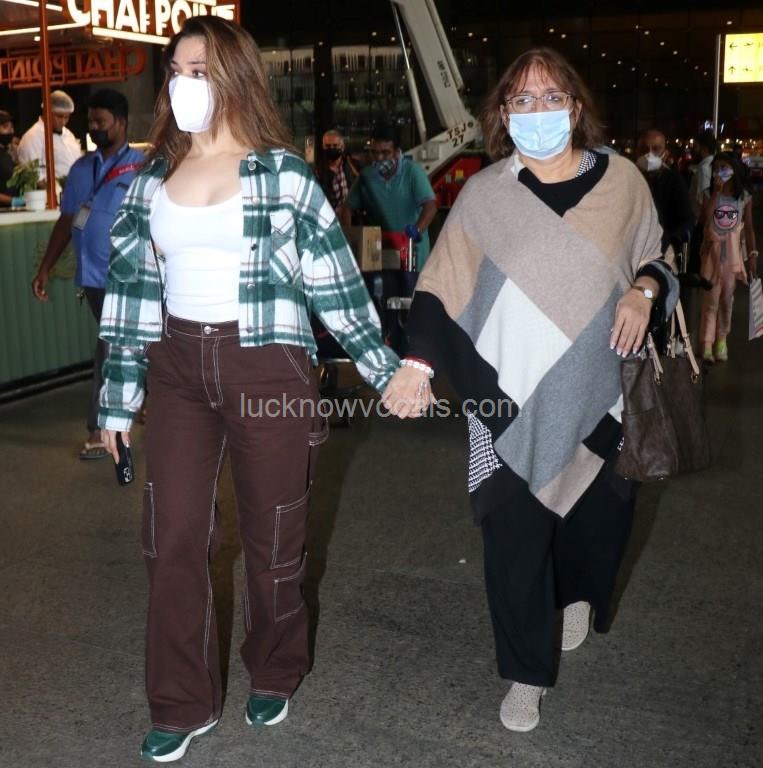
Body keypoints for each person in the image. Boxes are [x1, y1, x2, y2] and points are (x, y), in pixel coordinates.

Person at [97, 16, 398, 763]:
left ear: (234, 75)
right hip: (176, 366)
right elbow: (130, 297)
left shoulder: (283, 175)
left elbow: (334, 284)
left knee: (273, 535)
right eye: (175, 71)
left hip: (267, 363)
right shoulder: (149, 182)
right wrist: (116, 401)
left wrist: (385, 370)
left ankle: (275, 666)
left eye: (198, 70)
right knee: (171, 537)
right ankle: (182, 701)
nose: (183, 83)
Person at [382, 47, 679, 734]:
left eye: (551, 97)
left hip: (602, 396)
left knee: (596, 526)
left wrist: (642, 291)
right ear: (502, 114)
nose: (537, 111)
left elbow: (656, 257)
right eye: (521, 100)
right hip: (504, 402)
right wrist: (417, 364)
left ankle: (574, 594)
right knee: (511, 539)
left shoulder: (622, 181)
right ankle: (524, 674)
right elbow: (440, 286)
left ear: (575, 108)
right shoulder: (485, 195)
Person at [31, 90, 144, 459]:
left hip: (132, 275)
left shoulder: (142, 168)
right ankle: (128, 408)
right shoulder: (81, 170)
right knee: (118, 344)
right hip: (93, 277)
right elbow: (68, 222)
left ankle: (102, 425)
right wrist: (45, 267)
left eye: (101, 122)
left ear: (121, 123)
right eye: (91, 121)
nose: (94, 128)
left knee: (112, 344)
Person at [343, 124, 437, 269]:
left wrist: (416, 231)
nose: (379, 158)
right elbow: (347, 207)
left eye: (385, 153)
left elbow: (430, 206)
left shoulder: (412, 172)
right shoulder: (366, 177)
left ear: (397, 152)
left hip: (412, 253)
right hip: (381, 253)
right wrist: (347, 238)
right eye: (375, 152)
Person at [698, 151, 758, 363]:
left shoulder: (744, 197)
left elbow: (748, 227)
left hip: (732, 257)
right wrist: (716, 194)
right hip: (712, 254)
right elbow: (706, 219)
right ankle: (707, 343)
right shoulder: (709, 194)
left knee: (726, 300)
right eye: (716, 169)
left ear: (734, 170)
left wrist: (752, 255)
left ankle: (722, 339)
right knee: (711, 299)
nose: (719, 172)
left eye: (723, 168)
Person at [636, 128, 694, 256]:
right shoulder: (629, 179)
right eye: (644, 149)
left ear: (665, 153)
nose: (649, 154)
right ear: (637, 152)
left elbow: (686, 219)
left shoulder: (674, 180)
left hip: (663, 248)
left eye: (655, 149)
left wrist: (668, 239)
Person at [17, 89, 82, 182]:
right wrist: (57, 187)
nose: (63, 122)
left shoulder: (68, 134)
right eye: (59, 116)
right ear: (47, 112)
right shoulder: (32, 137)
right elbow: (32, 175)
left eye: (67, 117)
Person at [687, 130, 717, 272]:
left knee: (698, 265)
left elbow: (705, 198)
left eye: (696, 145)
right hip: (710, 222)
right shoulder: (714, 164)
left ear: (703, 147)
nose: (694, 148)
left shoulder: (704, 168)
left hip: (703, 223)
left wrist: (704, 226)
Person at [317, 128, 358, 215]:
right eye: (328, 146)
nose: (331, 148)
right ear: (323, 147)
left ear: (342, 147)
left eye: (335, 146)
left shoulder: (352, 165)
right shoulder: (318, 170)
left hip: (352, 216)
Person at [0, 110, 20, 207]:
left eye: (11, 127)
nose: (11, 131)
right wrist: (12, 201)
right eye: (5, 127)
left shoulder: (8, 152)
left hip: (12, 211)